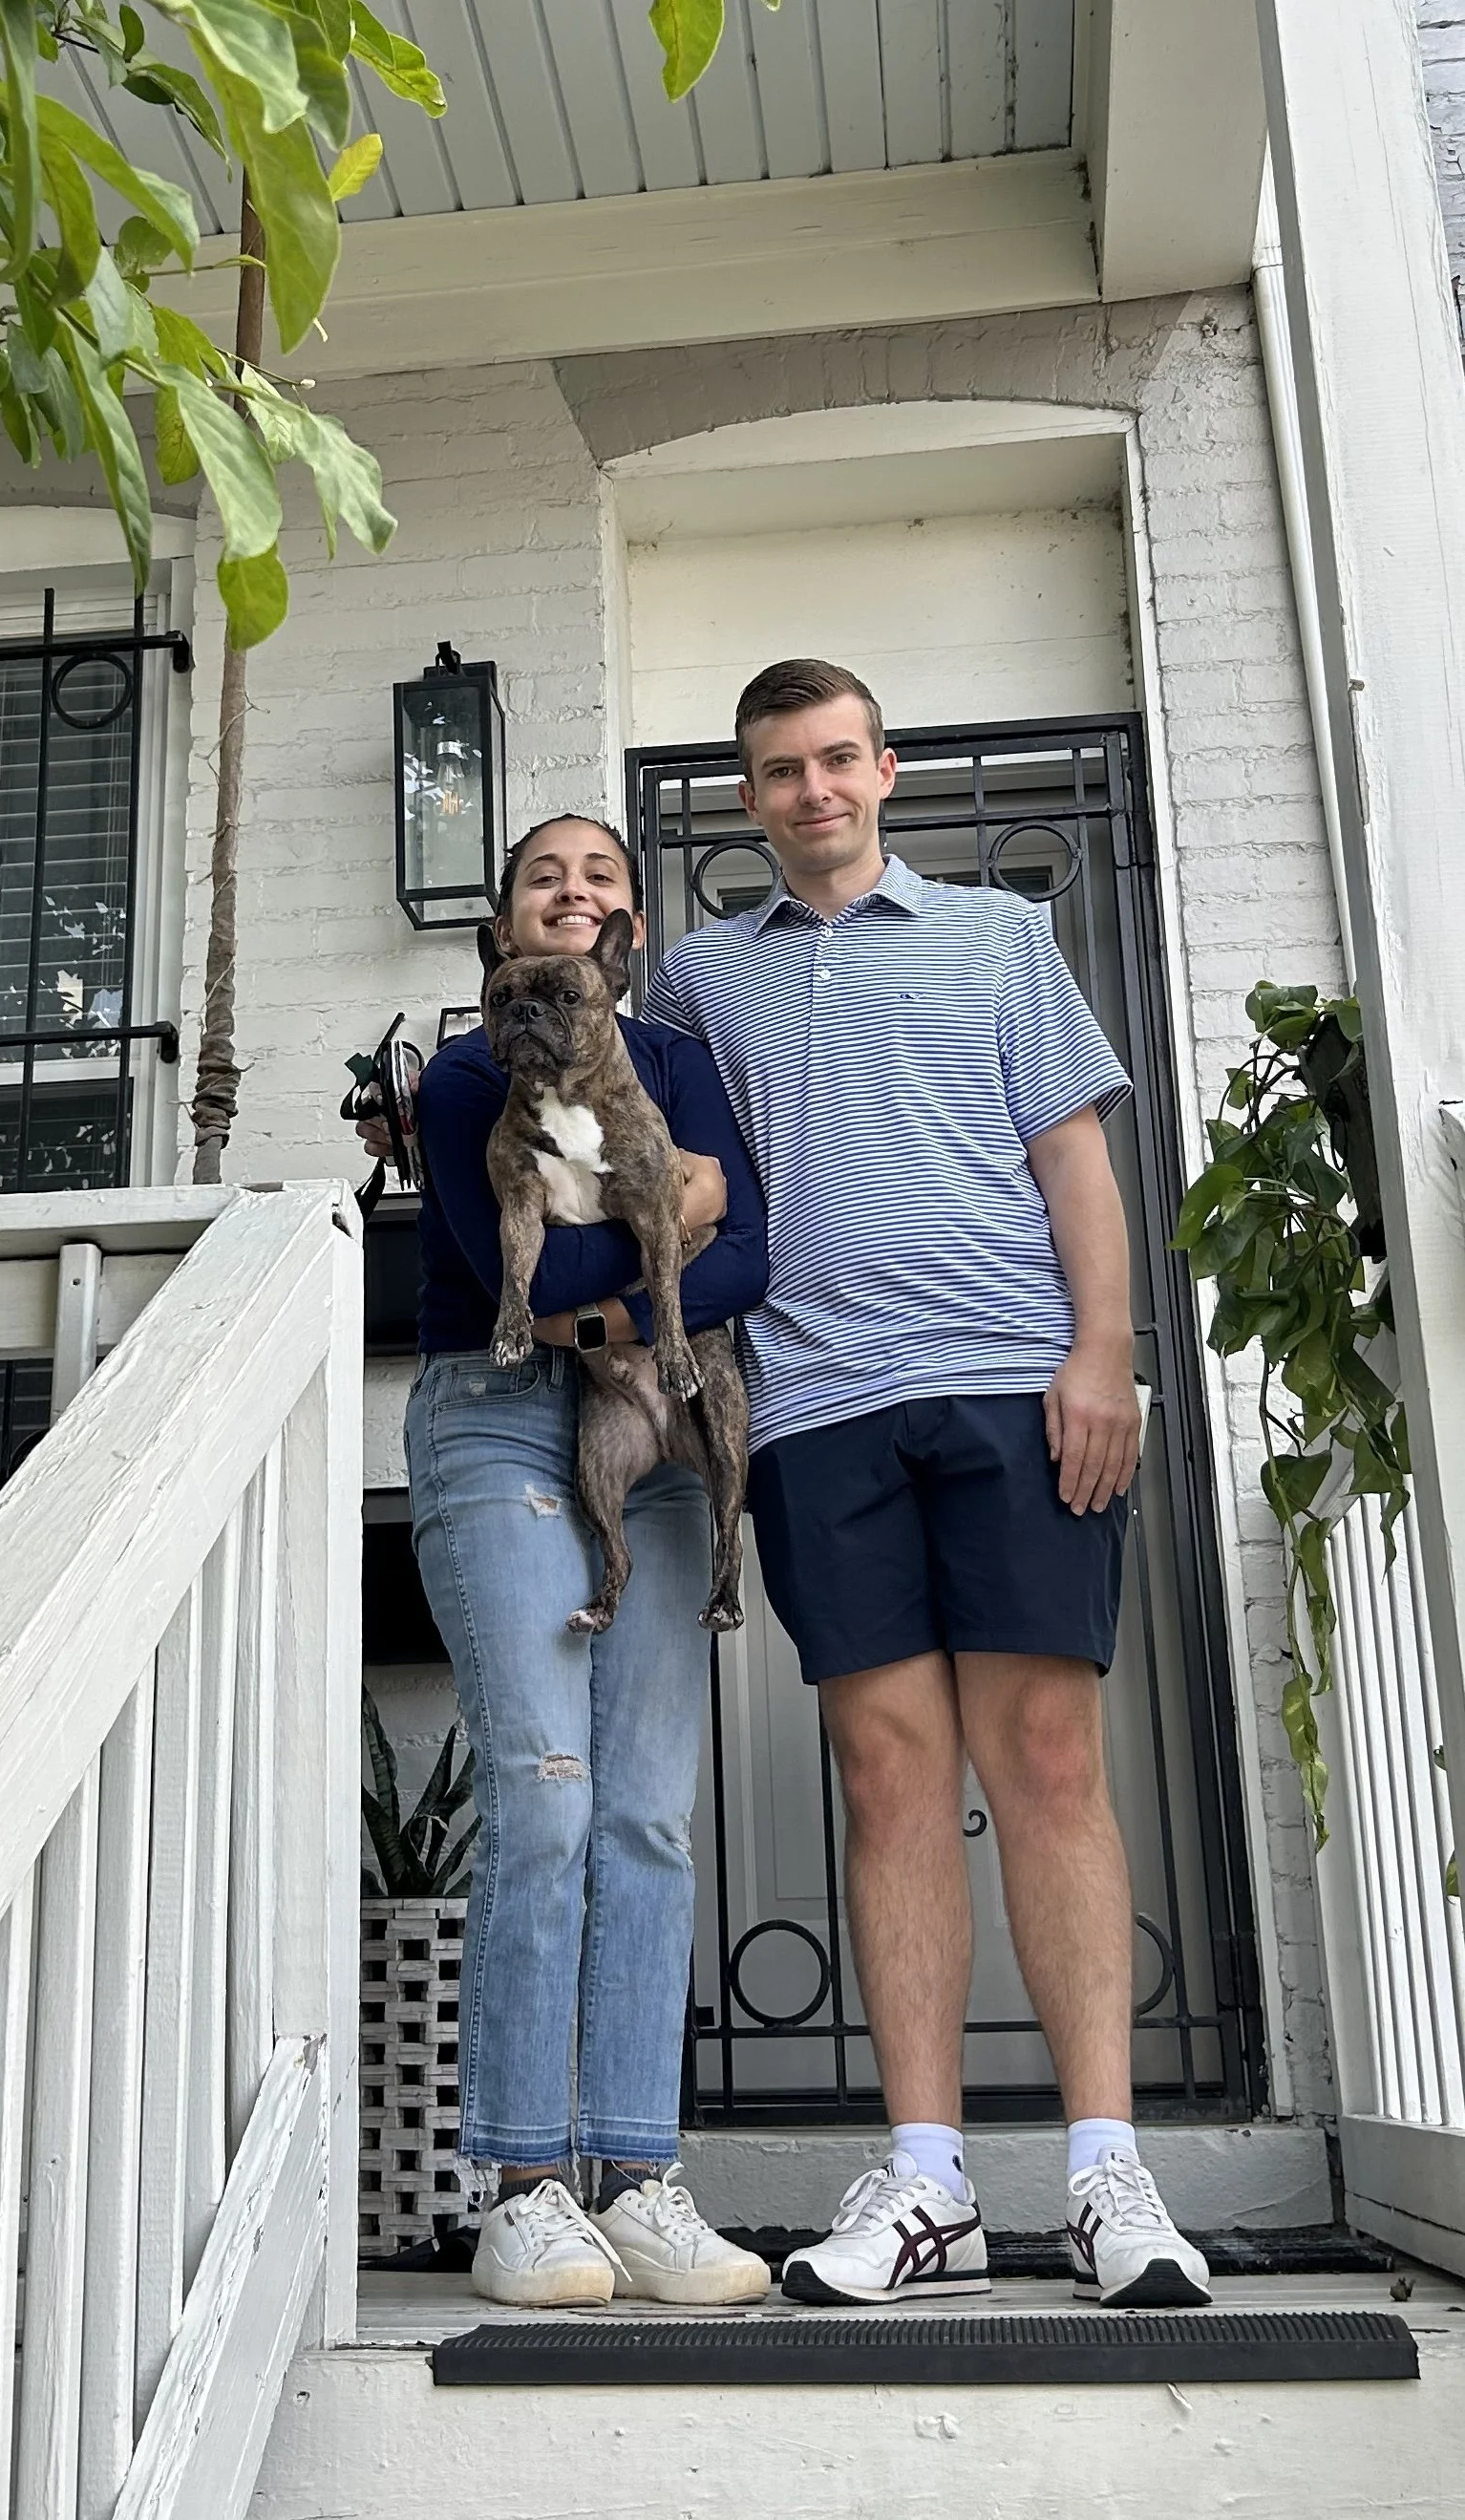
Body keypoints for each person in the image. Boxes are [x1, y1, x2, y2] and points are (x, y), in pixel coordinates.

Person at [644, 659, 1213, 2311]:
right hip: (817, 1408)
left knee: (1043, 1753)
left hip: (1013, 1390)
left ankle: (1106, 2166)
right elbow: (663, 1154)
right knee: (887, 1776)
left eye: (835, 760)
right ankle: (932, 2180)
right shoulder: (699, 979)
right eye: (776, 771)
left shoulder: (996, 937)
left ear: (883, 771)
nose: (810, 791)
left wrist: (1101, 1351)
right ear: (747, 799)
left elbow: (1073, 1160)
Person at [383, 813, 771, 2309]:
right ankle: (526, 2188)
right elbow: (501, 1270)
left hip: (655, 1420)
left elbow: (748, 1254)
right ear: (504, 927)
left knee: (649, 1814)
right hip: (493, 1418)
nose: (573, 890)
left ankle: (638, 2175)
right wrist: (666, 1216)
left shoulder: (671, 1062)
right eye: (544, 874)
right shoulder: (475, 1066)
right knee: (545, 1793)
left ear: (625, 932)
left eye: (599, 877)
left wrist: (632, 1273)